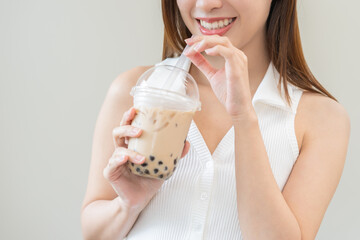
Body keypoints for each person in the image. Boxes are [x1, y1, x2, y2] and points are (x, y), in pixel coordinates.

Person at [81, 0, 351, 239]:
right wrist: (127, 204)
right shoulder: (137, 90)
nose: (207, 3)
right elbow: (93, 233)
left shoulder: (321, 119)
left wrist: (243, 117)